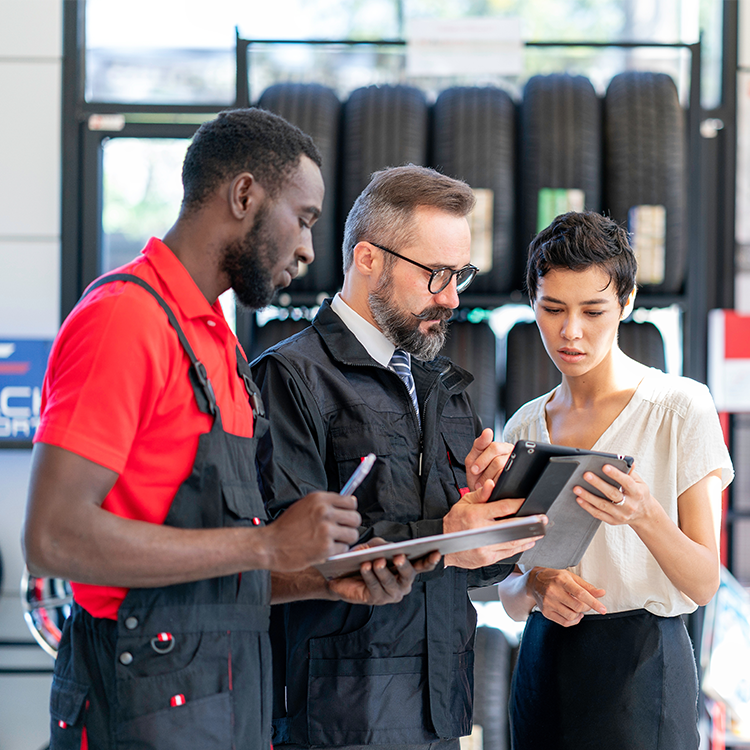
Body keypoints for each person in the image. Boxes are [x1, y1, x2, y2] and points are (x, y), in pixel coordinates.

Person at [22, 109, 436, 750]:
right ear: (244, 195)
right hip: (132, 709)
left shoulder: (220, 348)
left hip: (227, 704)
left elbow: (217, 578)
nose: (306, 249)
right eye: (302, 219)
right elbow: (53, 537)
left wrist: (328, 580)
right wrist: (267, 544)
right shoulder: (124, 321)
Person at [251, 164, 543, 750]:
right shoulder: (290, 379)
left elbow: (472, 570)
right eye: (436, 274)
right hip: (337, 719)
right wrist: (444, 535)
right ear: (368, 259)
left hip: (440, 715)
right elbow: (285, 557)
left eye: (459, 273)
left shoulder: (442, 383)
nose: (453, 297)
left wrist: (492, 517)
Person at [497, 211, 734, 749]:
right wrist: (534, 585)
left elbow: (702, 583)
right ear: (532, 302)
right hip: (542, 662)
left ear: (626, 303)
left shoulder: (678, 407)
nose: (570, 331)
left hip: (644, 666)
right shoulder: (525, 426)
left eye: (593, 311)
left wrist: (646, 515)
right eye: (552, 308)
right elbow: (505, 591)